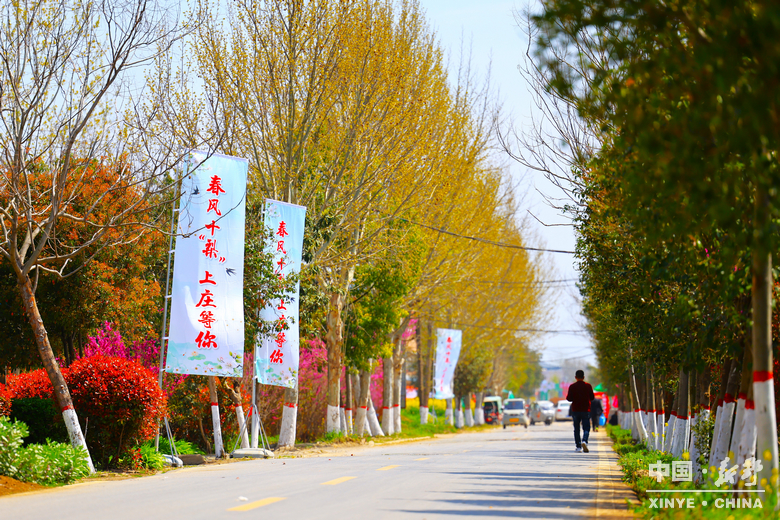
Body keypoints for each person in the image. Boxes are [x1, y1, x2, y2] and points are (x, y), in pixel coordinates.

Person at [566, 369, 594, 453]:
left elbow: (569, 399)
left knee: (576, 428)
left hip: (575, 410)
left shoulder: (572, 386)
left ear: (575, 377)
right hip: (586, 410)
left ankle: (578, 446)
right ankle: (584, 441)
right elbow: (592, 397)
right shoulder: (588, 386)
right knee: (586, 427)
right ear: (583, 377)